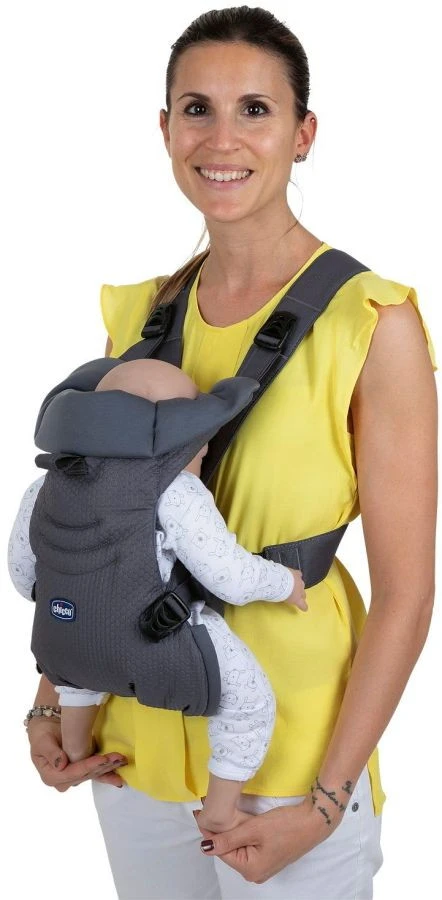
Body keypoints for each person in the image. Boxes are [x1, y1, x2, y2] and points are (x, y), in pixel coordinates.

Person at [21, 6, 437, 899]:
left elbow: (406, 595)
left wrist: (325, 802)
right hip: (134, 740)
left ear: (303, 133)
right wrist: (52, 701)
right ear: (165, 129)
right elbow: (85, 520)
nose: (222, 138)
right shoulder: (137, 318)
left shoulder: (372, 323)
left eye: (256, 109)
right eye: (196, 109)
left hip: (290, 757)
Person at [9, 357, 307, 833]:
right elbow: (229, 576)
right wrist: (284, 582)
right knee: (249, 702)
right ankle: (220, 809)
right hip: (152, 648)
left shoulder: (44, 486)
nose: (204, 445)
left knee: (81, 667)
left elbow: (24, 577)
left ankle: (77, 751)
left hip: (61, 644)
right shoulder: (175, 490)